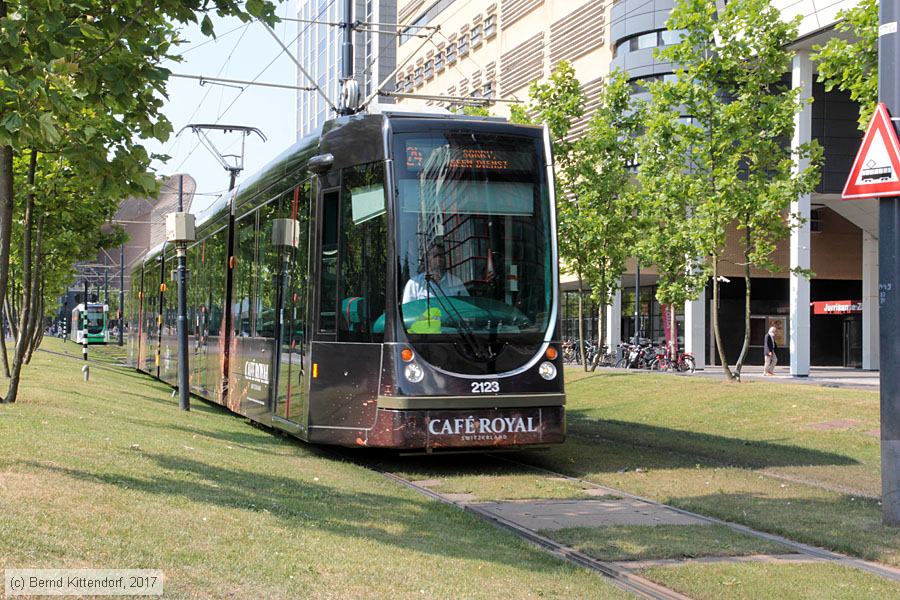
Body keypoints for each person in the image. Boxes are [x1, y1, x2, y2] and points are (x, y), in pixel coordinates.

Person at [402, 241, 469, 304]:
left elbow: (466, 309)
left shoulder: (456, 282)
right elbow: (408, 313)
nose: (439, 259)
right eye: (435, 256)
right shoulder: (414, 284)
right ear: (428, 259)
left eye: (441, 256)